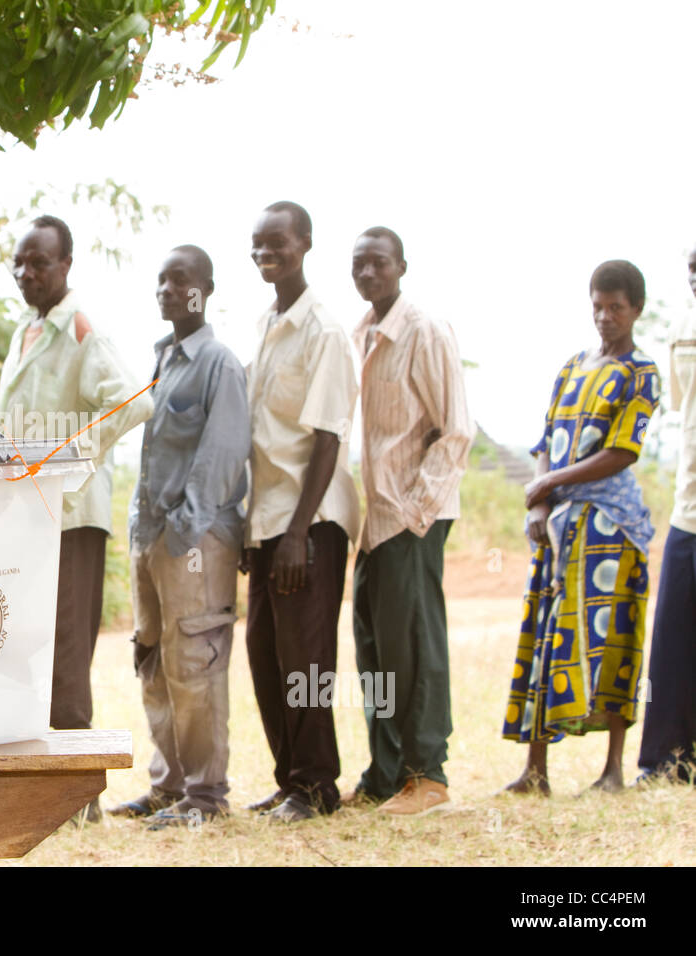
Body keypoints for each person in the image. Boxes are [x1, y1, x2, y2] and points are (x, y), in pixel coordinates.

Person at [0, 215, 152, 743]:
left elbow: (134, 401)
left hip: (74, 513)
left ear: (65, 266)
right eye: (18, 261)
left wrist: (72, 456)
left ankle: (80, 788)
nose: (25, 272)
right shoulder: (27, 329)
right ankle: (38, 763)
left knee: (66, 644)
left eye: (39, 262)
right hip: (28, 512)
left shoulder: (81, 328)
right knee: (29, 639)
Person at [503, 260, 658, 794]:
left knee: (611, 640)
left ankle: (612, 770)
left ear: (636, 309)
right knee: (547, 636)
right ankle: (535, 771)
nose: (605, 316)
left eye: (616, 307)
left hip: (611, 525)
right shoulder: (572, 367)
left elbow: (620, 452)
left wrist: (547, 487)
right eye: (598, 305)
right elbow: (546, 441)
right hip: (558, 526)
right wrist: (541, 504)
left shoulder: (642, 375)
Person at [110, 245, 249, 827]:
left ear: (207, 289)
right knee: (154, 659)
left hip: (194, 543)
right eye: (161, 279)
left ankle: (206, 796)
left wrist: (182, 535)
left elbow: (221, 456)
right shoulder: (165, 360)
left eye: (181, 281)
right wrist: (146, 535)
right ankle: (169, 786)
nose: (168, 289)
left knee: (195, 662)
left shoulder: (219, 362)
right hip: (153, 537)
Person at [347, 227, 473, 815]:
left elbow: (456, 430)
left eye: (379, 263)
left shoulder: (424, 331)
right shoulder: (363, 334)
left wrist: (416, 512)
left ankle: (429, 777)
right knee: (375, 651)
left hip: (411, 520)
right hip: (375, 524)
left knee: (417, 649)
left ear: (401, 266)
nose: (368, 273)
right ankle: (385, 773)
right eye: (359, 265)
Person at [242, 201, 360, 822]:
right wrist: (251, 527)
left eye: (278, 242)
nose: (267, 252)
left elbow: (328, 438)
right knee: (266, 654)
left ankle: (317, 785)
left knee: (306, 662)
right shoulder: (267, 325)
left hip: (307, 526)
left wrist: (295, 534)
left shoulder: (325, 333)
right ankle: (290, 779)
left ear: (306, 244)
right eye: (258, 243)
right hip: (265, 524)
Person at [636, 246, 696, 784]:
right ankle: (667, 763)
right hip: (688, 509)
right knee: (674, 641)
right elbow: (681, 411)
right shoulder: (683, 327)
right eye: (694, 272)